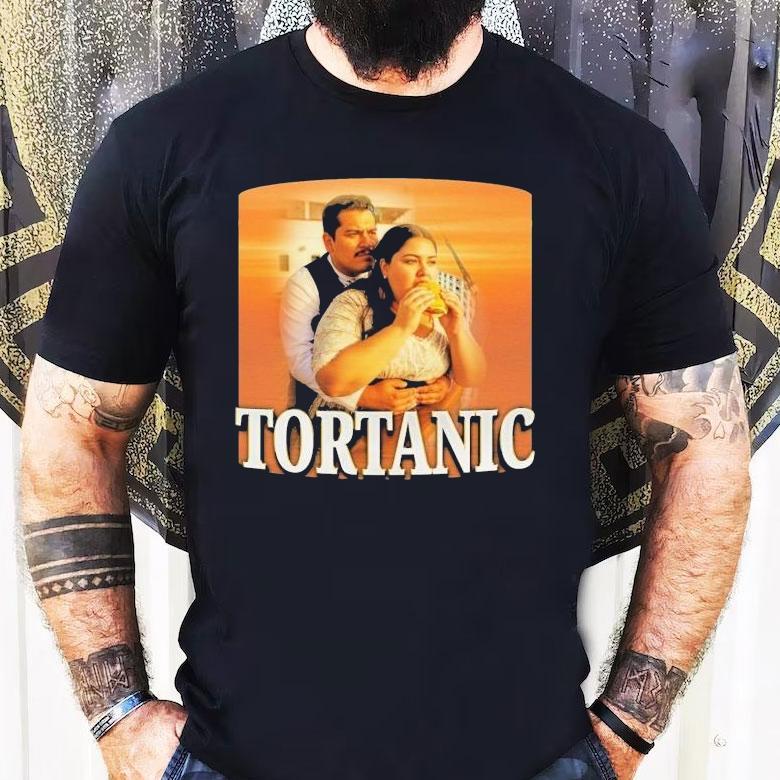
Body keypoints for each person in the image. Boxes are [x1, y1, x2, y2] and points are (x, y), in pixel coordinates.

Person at [21, 3, 750, 780]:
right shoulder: (170, 150)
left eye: (428, 264)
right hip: (238, 761)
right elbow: (76, 432)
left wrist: (629, 726)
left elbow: (702, 450)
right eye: (404, 261)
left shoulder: (614, 157)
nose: (419, 273)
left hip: (530, 760)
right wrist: (117, 715)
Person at [280, 195, 452, 414]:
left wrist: (444, 379)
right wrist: (363, 395)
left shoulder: (389, 270)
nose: (367, 243)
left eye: (371, 232)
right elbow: (301, 359)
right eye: (353, 234)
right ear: (329, 242)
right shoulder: (304, 284)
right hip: (325, 410)